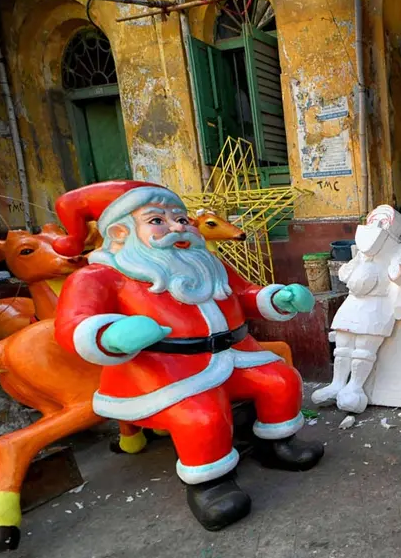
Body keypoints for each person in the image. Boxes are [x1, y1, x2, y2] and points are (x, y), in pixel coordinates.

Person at [53, 181, 323, 532]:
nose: (178, 226)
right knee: (202, 412)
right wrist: (110, 335)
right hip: (160, 372)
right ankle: (210, 484)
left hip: (233, 356)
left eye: (180, 217)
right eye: (157, 220)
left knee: (281, 380)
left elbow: (242, 294)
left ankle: (277, 444)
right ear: (120, 232)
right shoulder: (99, 276)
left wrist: (276, 299)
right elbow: (73, 324)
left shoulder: (209, 263)